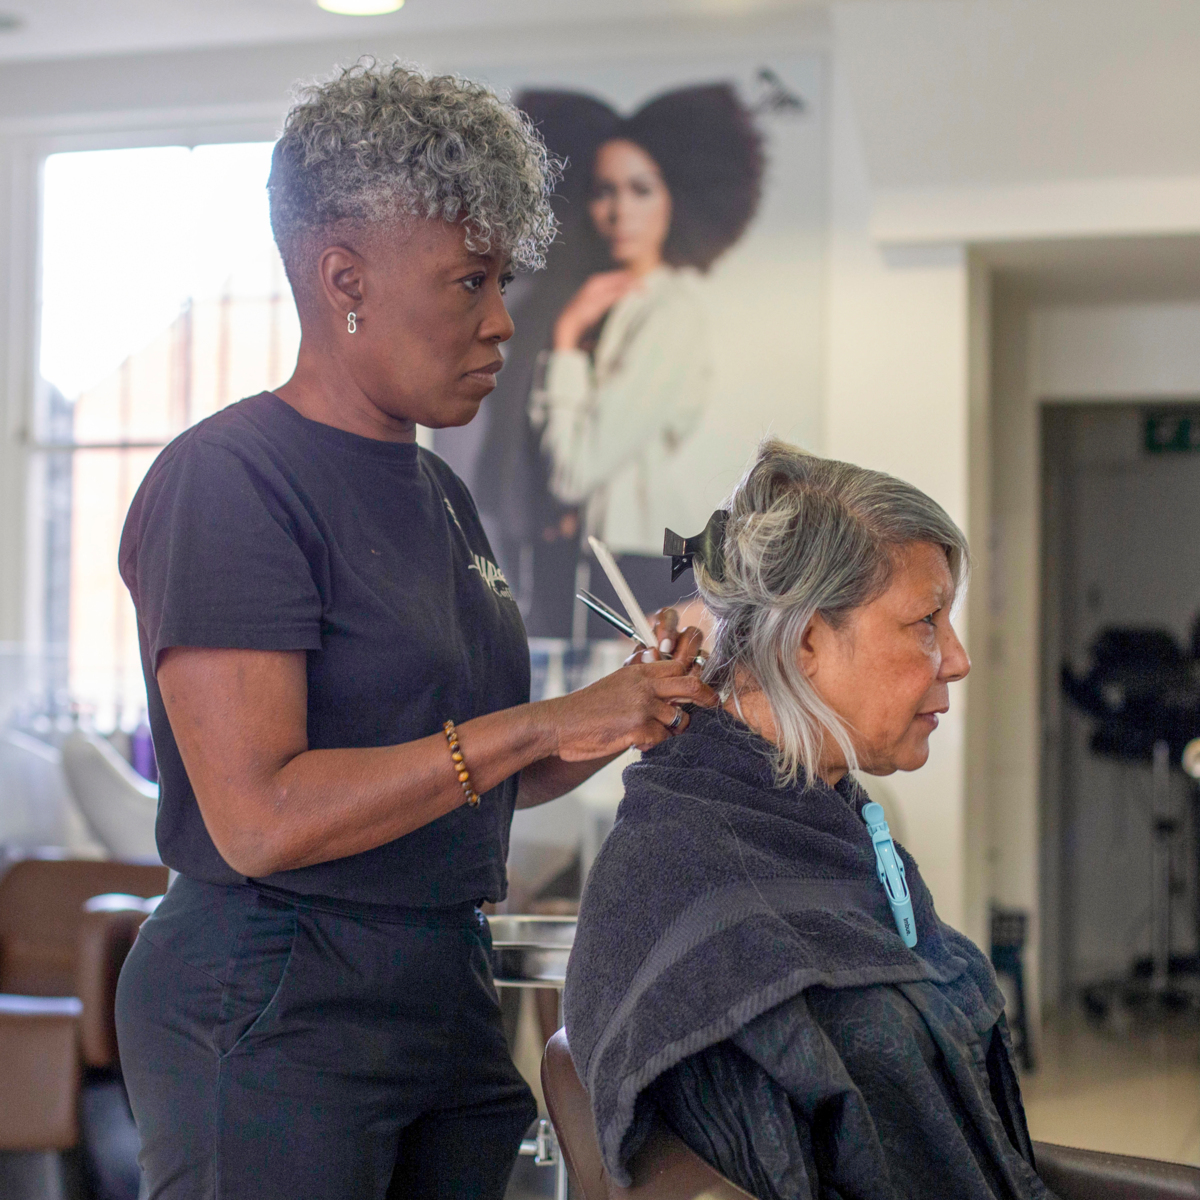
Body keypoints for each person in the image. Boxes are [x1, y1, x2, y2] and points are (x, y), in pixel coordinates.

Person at [115, 60, 713, 1200]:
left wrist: (621, 722)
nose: (501, 322)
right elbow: (260, 817)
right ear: (344, 278)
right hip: (273, 994)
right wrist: (544, 719)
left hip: (438, 984)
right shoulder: (231, 482)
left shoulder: (442, 496)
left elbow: (469, 777)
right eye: (470, 281)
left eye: (505, 280)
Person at [565, 441, 1057, 1200]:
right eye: (926, 621)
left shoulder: (834, 819)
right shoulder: (686, 866)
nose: (956, 659)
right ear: (806, 644)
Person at [530, 84, 764, 626]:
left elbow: (573, 472)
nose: (618, 212)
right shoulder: (614, 302)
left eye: (641, 189)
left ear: (676, 197)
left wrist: (565, 341)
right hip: (608, 556)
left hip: (642, 560)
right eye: (603, 190)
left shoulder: (670, 314)